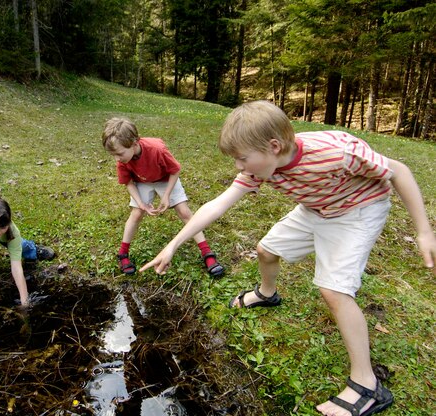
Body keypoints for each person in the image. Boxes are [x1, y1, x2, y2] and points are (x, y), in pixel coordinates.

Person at [140, 101, 436, 416]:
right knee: (267, 251)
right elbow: (218, 204)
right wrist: (173, 244)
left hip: (358, 211)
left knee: (334, 290)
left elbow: (399, 172)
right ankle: (267, 294)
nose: (239, 166)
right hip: (316, 207)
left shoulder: (336, 153)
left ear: (274, 146)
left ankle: (368, 385)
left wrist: (424, 232)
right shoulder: (262, 165)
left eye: (242, 158)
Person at [102, 117, 225, 277]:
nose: (117, 159)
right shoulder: (122, 160)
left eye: (119, 154)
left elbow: (175, 170)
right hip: (143, 181)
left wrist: (166, 196)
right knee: (137, 213)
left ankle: (207, 253)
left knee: (184, 212)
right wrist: (142, 204)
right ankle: (123, 254)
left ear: (134, 144)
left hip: (166, 179)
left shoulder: (156, 149)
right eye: (113, 155)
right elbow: (129, 183)